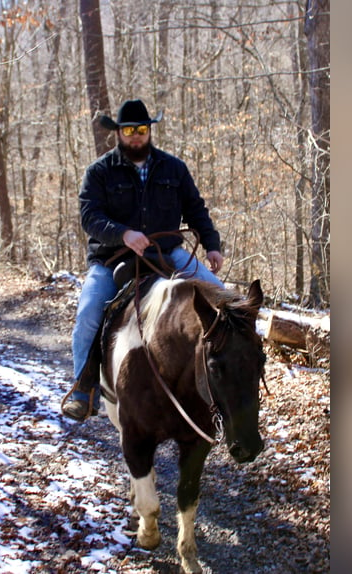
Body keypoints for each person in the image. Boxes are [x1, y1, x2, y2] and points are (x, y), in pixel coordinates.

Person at [62, 99, 225, 421]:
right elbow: (90, 217)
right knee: (88, 314)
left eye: (141, 130)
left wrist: (212, 245)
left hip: (167, 252)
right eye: (128, 131)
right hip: (111, 258)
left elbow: (196, 209)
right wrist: (122, 234)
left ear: (149, 131)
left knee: (221, 299)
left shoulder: (173, 168)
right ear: (118, 133)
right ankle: (84, 387)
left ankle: (224, 380)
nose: (135, 136)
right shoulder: (99, 172)